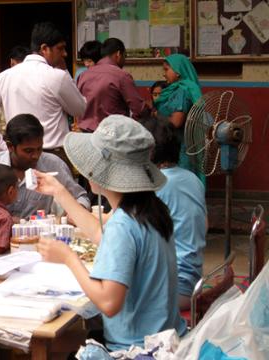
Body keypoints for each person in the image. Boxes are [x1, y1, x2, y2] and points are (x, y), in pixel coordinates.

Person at [34, 114, 186, 351]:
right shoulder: (148, 209)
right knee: (57, 341)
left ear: (100, 171)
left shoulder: (123, 224)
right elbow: (99, 234)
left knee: (47, 344)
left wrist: (68, 258)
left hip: (135, 349)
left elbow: (109, 302)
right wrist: (60, 193)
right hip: (164, 338)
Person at [0, 22, 86, 168]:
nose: (64, 54)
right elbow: (80, 109)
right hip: (54, 155)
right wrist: (65, 72)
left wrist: (0, 146)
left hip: (19, 155)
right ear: (44, 49)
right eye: (60, 48)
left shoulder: (5, 76)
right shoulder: (57, 76)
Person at [142, 117, 206, 311]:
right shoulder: (192, 178)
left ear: (148, 152)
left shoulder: (156, 185)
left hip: (174, 289)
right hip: (194, 280)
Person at [0, 114, 89, 219]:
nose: (35, 156)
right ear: (10, 146)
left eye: (39, 149)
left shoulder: (54, 165)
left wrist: (75, 213)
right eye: (28, 151)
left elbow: (81, 197)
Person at [77, 38, 149, 133]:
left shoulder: (83, 76)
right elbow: (139, 109)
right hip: (113, 136)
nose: (124, 60)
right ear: (118, 54)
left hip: (86, 134)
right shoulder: (121, 76)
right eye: (125, 56)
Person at [153, 54, 205, 184]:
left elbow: (176, 121)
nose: (164, 74)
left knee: (182, 180)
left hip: (181, 145)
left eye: (166, 69)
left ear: (178, 72)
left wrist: (156, 117)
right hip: (184, 143)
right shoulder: (185, 88)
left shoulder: (182, 91)